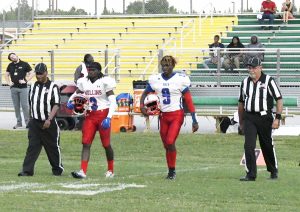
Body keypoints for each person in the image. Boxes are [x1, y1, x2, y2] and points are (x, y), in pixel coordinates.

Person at [140, 55, 199, 180]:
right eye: (163, 65)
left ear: (173, 66)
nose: (165, 68)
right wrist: (141, 106)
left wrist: (194, 120)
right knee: (166, 145)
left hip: (177, 115)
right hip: (163, 116)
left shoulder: (180, 79)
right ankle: (170, 170)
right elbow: (145, 93)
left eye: (167, 65)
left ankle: (172, 171)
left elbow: (189, 100)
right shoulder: (156, 79)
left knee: (170, 141)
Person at [67, 62, 117, 179]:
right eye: (89, 70)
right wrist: (70, 101)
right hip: (90, 115)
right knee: (86, 143)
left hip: (103, 114)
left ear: (99, 71)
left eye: (93, 70)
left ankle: (110, 170)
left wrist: (108, 117)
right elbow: (76, 93)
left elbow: (113, 101)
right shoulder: (84, 82)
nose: (90, 72)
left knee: (106, 144)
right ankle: (82, 171)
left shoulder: (104, 82)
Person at [238, 57, 283, 181]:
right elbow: (241, 103)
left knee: (267, 145)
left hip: (265, 117)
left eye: (253, 67)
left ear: (260, 68)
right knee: (248, 145)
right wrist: (241, 121)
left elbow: (279, 99)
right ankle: (250, 174)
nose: (251, 70)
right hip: (250, 117)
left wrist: (277, 118)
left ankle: (273, 170)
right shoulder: (245, 82)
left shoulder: (268, 80)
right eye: (249, 67)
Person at [18, 63, 64, 176]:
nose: (38, 76)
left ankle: (57, 169)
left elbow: (56, 104)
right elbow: (31, 102)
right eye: (37, 73)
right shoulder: (33, 86)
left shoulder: (53, 86)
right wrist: (30, 119)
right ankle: (27, 171)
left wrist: (49, 119)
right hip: (35, 122)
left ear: (46, 73)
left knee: (52, 147)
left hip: (49, 122)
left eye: (41, 73)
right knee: (32, 146)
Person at [5, 53, 34, 129]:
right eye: (11, 57)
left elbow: (32, 73)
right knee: (16, 106)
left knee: (25, 106)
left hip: (23, 88)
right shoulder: (10, 65)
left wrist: (26, 80)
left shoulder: (24, 64)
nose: (13, 57)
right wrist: (9, 83)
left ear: (16, 55)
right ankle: (19, 123)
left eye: (13, 55)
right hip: (14, 88)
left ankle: (28, 123)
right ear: (10, 59)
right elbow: (6, 75)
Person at [74, 54, 94, 129]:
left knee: (90, 108)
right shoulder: (80, 68)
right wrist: (81, 87)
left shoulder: (93, 68)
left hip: (91, 91)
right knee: (80, 108)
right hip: (82, 91)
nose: (92, 60)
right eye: (91, 59)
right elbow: (76, 79)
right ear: (86, 60)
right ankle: (79, 125)